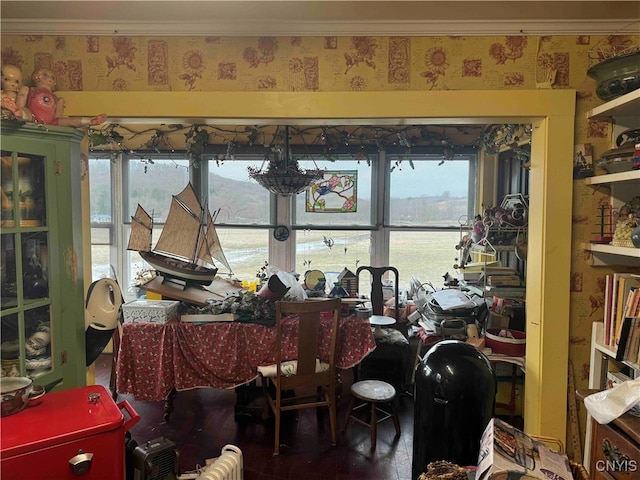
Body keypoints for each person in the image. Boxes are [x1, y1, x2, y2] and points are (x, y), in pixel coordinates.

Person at [17, 67, 107, 127]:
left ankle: (89, 121)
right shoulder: (30, 90)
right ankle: (18, 113)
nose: (50, 78)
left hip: (51, 122)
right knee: (25, 113)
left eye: (53, 77)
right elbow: (22, 99)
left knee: (69, 121)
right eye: (45, 75)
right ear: (36, 77)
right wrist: (19, 108)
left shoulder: (56, 98)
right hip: (32, 118)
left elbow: (58, 117)